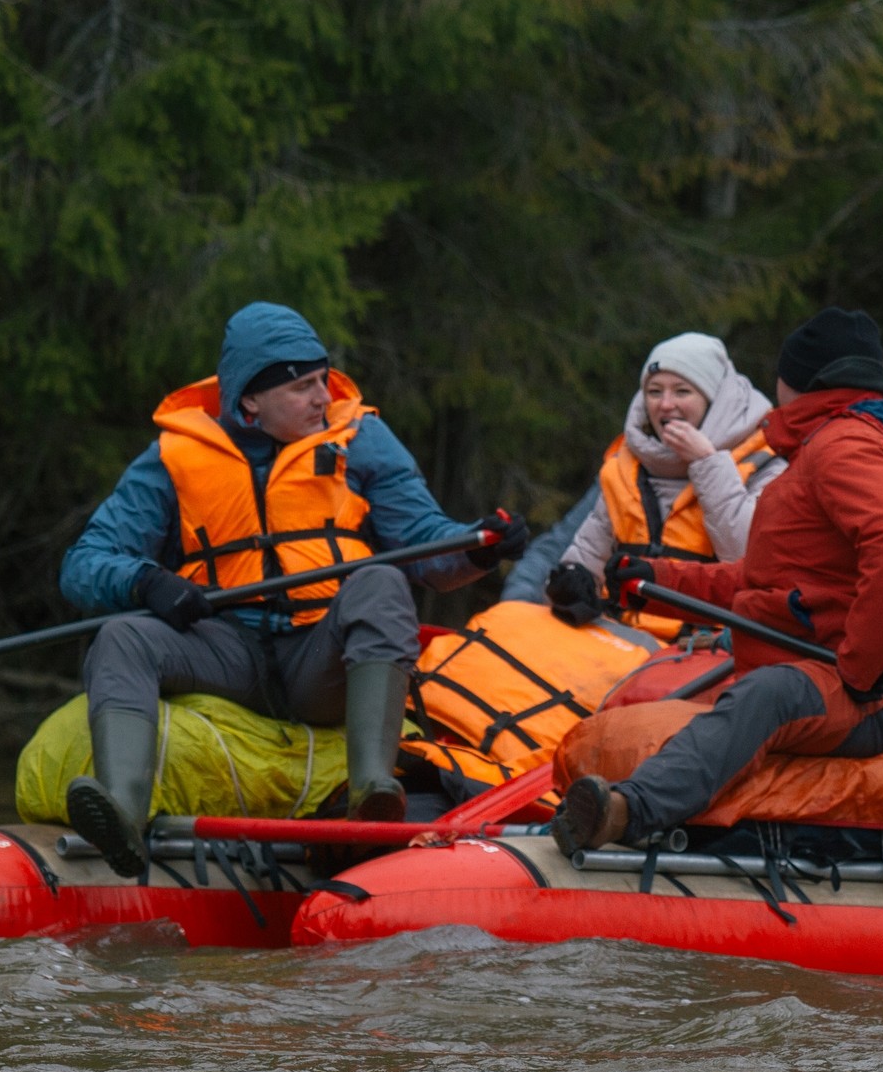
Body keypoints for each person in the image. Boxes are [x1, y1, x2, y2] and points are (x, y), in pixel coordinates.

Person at [56, 303, 531, 874]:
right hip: (228, 653)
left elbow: (425, 546)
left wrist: (479, 547)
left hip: (321, 660)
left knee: (381, 581)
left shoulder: (361, 439)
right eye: (302, 387)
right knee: (121, 636)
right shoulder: (172, 457)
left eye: (322, 381)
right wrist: (146, 581)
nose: (322, 398)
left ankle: (372, 790)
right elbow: (83, 564)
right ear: (251, 400)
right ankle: (123, 816)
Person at [549, 309, 883, 854]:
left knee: (767, 694)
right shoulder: (825, 446)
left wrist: (860, 667)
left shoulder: (843, 444)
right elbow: (762, 582)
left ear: (798, 381)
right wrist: (659, 579)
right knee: (762, 689)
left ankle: (626, 811)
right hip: (821, 673)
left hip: (867, 695)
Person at [540, 334, 783, 631]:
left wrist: (706, 462)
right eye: (654, 392)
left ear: (714, 401)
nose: (666, 405)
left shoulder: (766, 463)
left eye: (682, 391)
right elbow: (586, 559)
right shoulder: (625, 467)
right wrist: (570, 583)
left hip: (709, 645)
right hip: (623, 638)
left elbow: (750, 560)